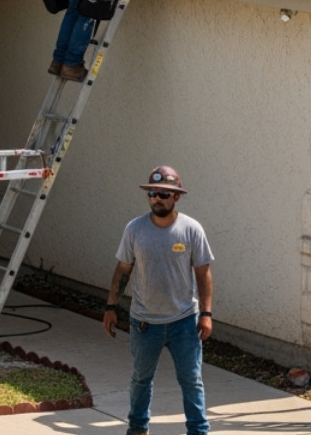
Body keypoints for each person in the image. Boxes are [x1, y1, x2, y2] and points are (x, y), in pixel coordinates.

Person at [103, 166, 214, 435]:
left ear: (176, 196)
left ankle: (198, 431)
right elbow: (123, 270)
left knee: (191, 380)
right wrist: (111, 306)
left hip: (184, 322)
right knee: (141, 379)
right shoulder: (135, 229)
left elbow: (203, 273)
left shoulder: (191, 229)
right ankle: (138, 428)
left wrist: (206, 314)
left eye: (164, 194)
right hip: (144, 323)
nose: (157, 199)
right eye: (152, 193)